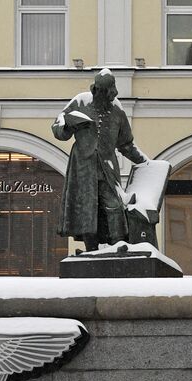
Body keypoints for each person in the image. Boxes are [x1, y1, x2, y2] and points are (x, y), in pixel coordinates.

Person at [51, 69, 147, 252]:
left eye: (108, 94)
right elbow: (58, 128)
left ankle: (118, 244)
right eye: (100, 93)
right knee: (87, 209)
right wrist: (68, 125)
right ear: (95, 90)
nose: (104, 98)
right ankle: (91, 249)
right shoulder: (80, 102)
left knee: (114, 205)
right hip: (83, 167)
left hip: (107, 167)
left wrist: (144, 162)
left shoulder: (117, 110)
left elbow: (126, 145)